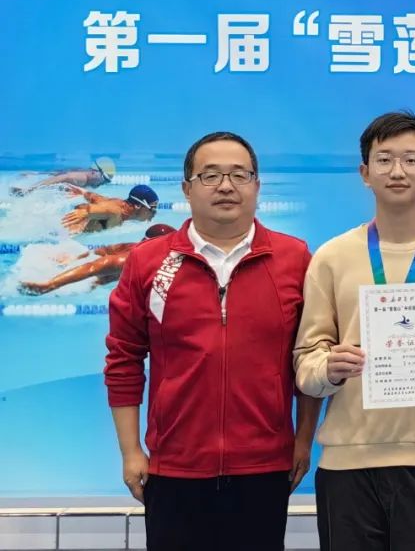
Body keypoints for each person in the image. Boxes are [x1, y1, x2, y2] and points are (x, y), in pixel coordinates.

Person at [104, 132, 320, 551]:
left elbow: (308, 359)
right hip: (173, 470)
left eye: (239, 174)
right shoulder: (149, 262)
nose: (225, 186)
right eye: (210, 175)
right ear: (187, 189)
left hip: (263, 469)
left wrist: (304, 440)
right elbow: (123, 359)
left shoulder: (294, 259)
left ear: (257, 185)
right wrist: (131, 452)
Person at [294, 112, 415, 551]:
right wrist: (330, 368)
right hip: (348, 463)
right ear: (365, 173)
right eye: (383, 160)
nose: (397, 171)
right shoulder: (332, 258)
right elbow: (306, 362)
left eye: (410, 159)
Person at [19, 223, 175, 295]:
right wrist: (50, 285)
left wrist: (75, 258)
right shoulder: (128, 260)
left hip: (88, 268)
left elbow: (105, 250)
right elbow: (92, 268)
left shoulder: (133, 246)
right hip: (82, 282)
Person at [61, 184, 157, 234]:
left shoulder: (118, 203)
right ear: (138, 206)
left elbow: (97, 198)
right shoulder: (116, 212)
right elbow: (90, 209)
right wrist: (85, 212)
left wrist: (84, 192)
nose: (154, 213)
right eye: (152, 209)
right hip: (66, 234)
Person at [11, 156, 116, 195]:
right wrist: (31, 189)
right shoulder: (82, 179)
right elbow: (62, 177)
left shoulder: (86, 174)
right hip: (54, 181)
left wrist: (35, 174)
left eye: (106, 182)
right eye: (104, 179)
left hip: (54, 176)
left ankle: (29, 176)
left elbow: (60, 173)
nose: (103, 183)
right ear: (95, 172)